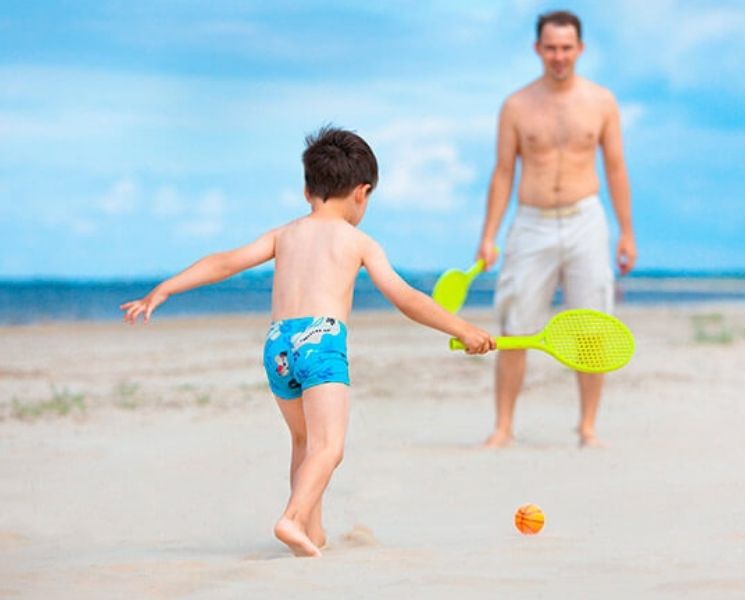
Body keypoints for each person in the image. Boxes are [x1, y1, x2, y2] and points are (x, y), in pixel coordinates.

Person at [120, 126, 495, 557]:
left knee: (303, 442)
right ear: (362, 192)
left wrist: (165, 288)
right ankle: (293, 518)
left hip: (278, 344)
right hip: (322, 340)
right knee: (329, 447)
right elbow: (405, 298)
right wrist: (463, 329)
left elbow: (226, 262)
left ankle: (311, 533)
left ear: (306, 189)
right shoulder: (358, 241)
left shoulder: (284, 234)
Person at [476, 10, 636, 449]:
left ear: (580, 49)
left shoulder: (601, 101)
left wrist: (626, 232)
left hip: (586, 218)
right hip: (531, 221)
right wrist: (488, 235)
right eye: (551, 48)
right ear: (537, 49)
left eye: (567, 48)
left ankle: (587, 427)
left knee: (594, 328)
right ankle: (503, 427)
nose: (559, 56)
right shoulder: (516, 105)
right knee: (514, 326)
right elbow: (503, 172)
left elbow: (616, 167)